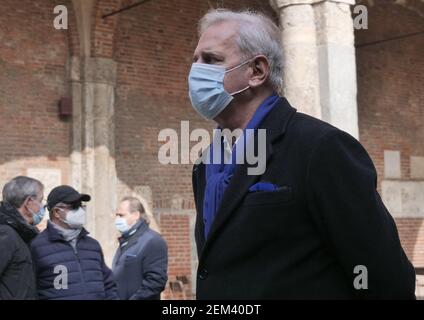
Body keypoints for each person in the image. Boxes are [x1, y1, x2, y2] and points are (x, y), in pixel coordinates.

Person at [189, 9, 416, 299]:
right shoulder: (206, 163)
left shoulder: (321, 148)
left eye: (211, 60)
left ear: (257, 71)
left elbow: (387, 279)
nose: (196, 70)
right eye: (195, 60)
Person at [30, 185, 118, 300]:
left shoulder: (92, 245)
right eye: (75, 206)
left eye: (81, 205)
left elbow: (109, 285)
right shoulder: (37, 247)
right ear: (57, 212)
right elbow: (29, 290)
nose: (80, 210)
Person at [112, 196, 168, 300]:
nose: (117, 219)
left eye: (121, 215)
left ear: (136, 215)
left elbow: (155, 282)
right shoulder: (125, 240)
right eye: (116, 215)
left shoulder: (153, 241)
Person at [0, 176, 45, 299]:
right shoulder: (6, 234)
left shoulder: (22, 234)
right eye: (40, 201)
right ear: (28, 202)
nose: (42, 207)